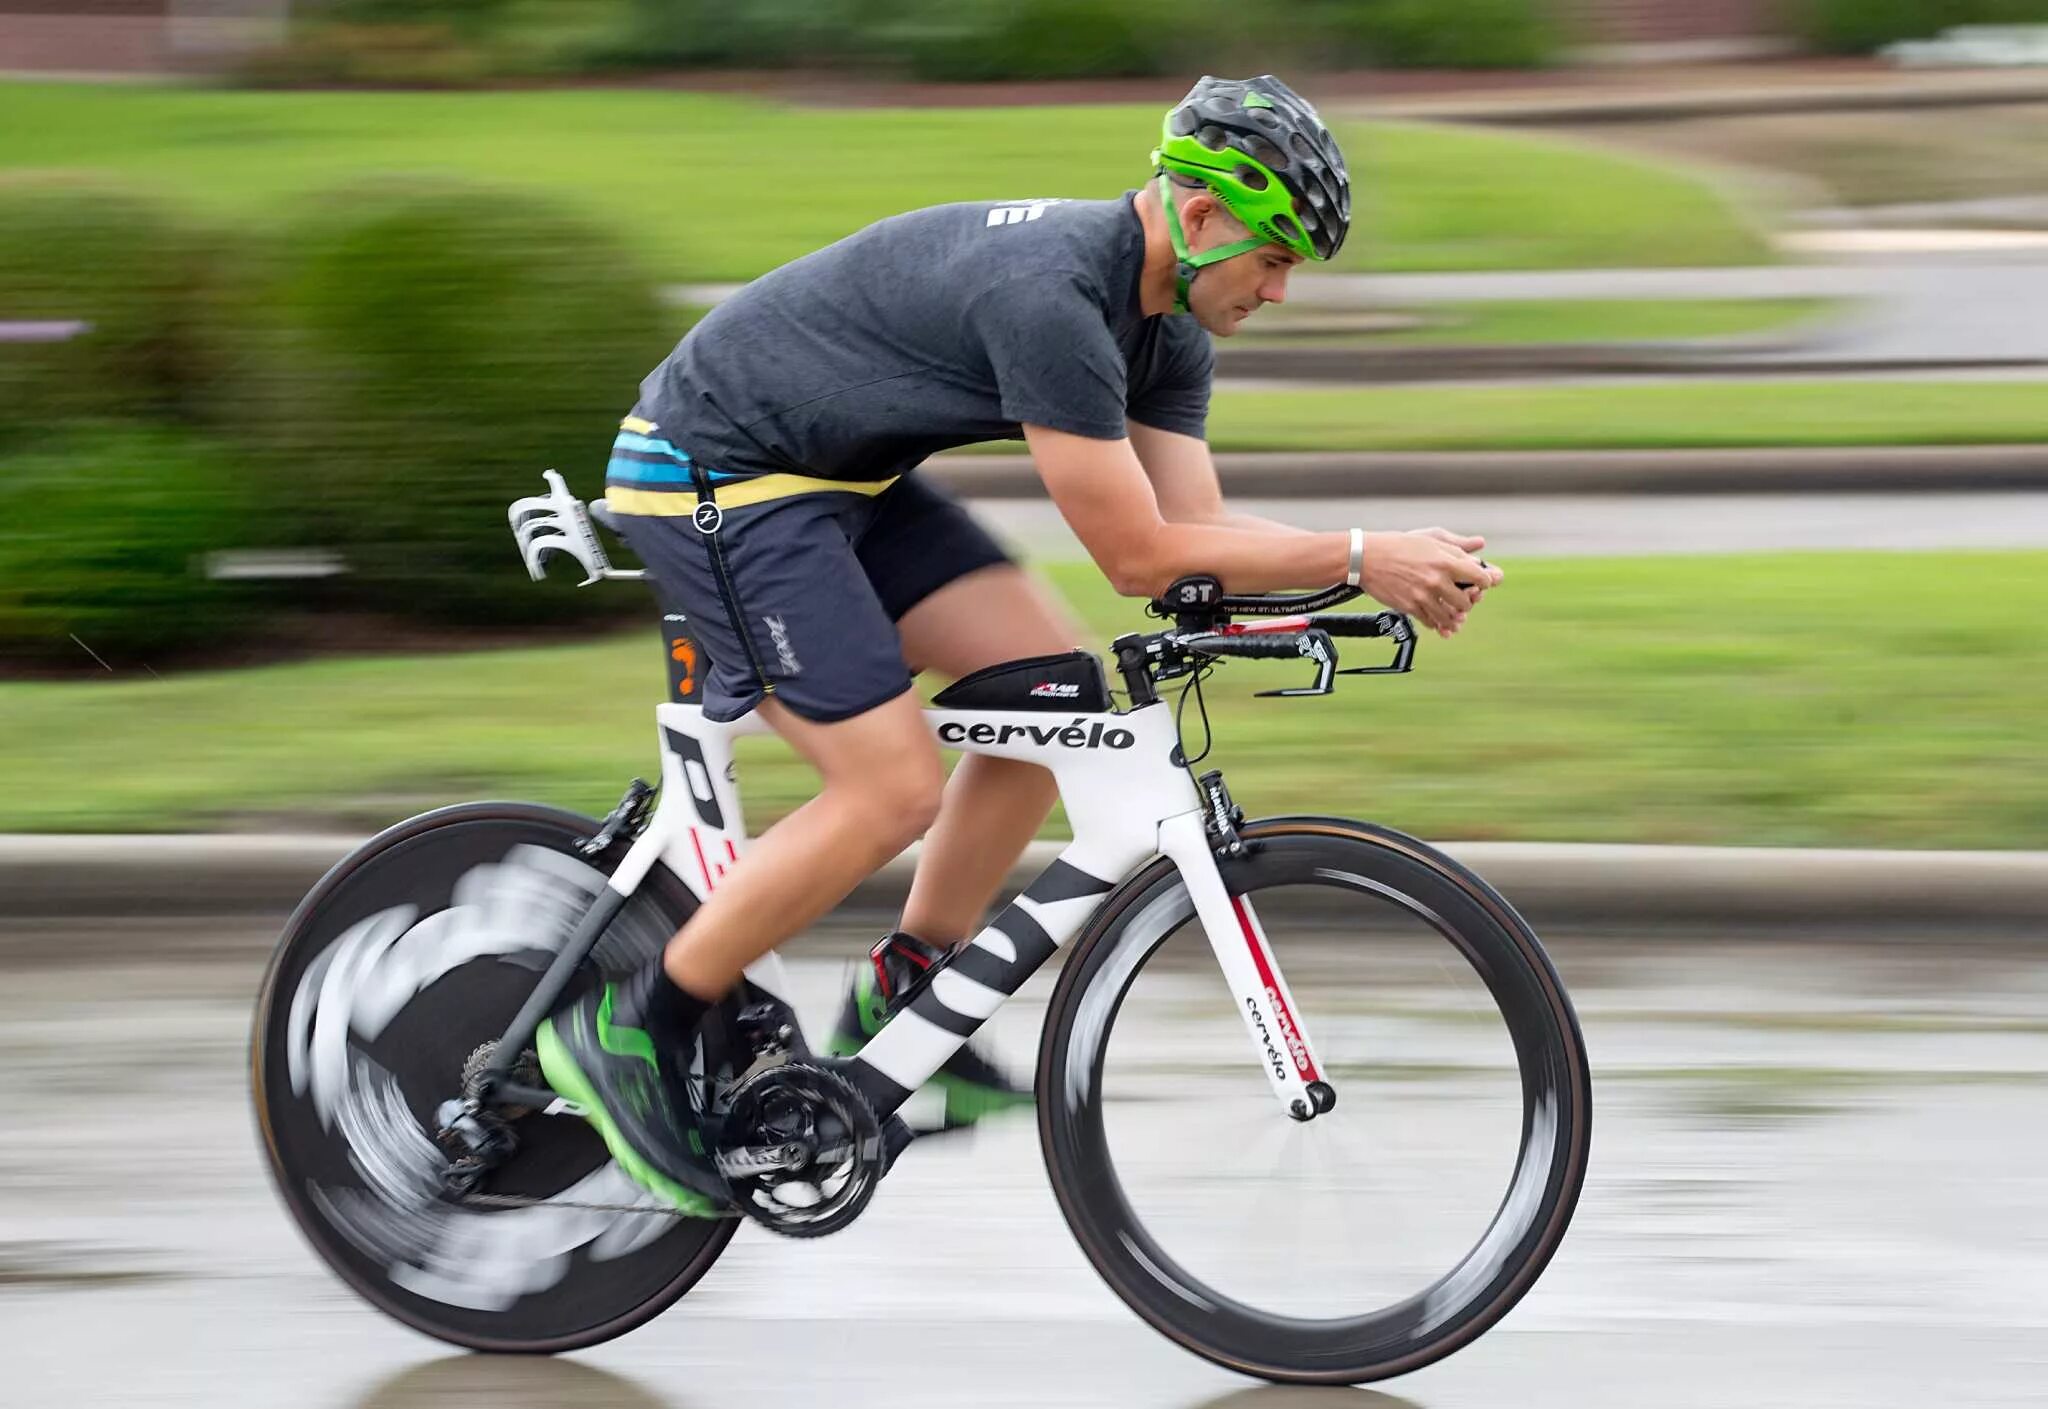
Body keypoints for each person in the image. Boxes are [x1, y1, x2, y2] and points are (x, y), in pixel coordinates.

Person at [536, 74, 1504, 1215]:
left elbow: (1194, 546)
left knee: (1054, 692)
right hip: (711, 475)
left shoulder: (1168, 332)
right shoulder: (1051, 298)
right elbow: (1140, 560)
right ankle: (629, 1022)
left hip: (836, 480)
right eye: (1276, 257)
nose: (1280, 290)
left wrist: (1351, 584)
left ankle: (905, 996)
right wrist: (1355, 549)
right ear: (1197, 219)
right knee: (888, 786)